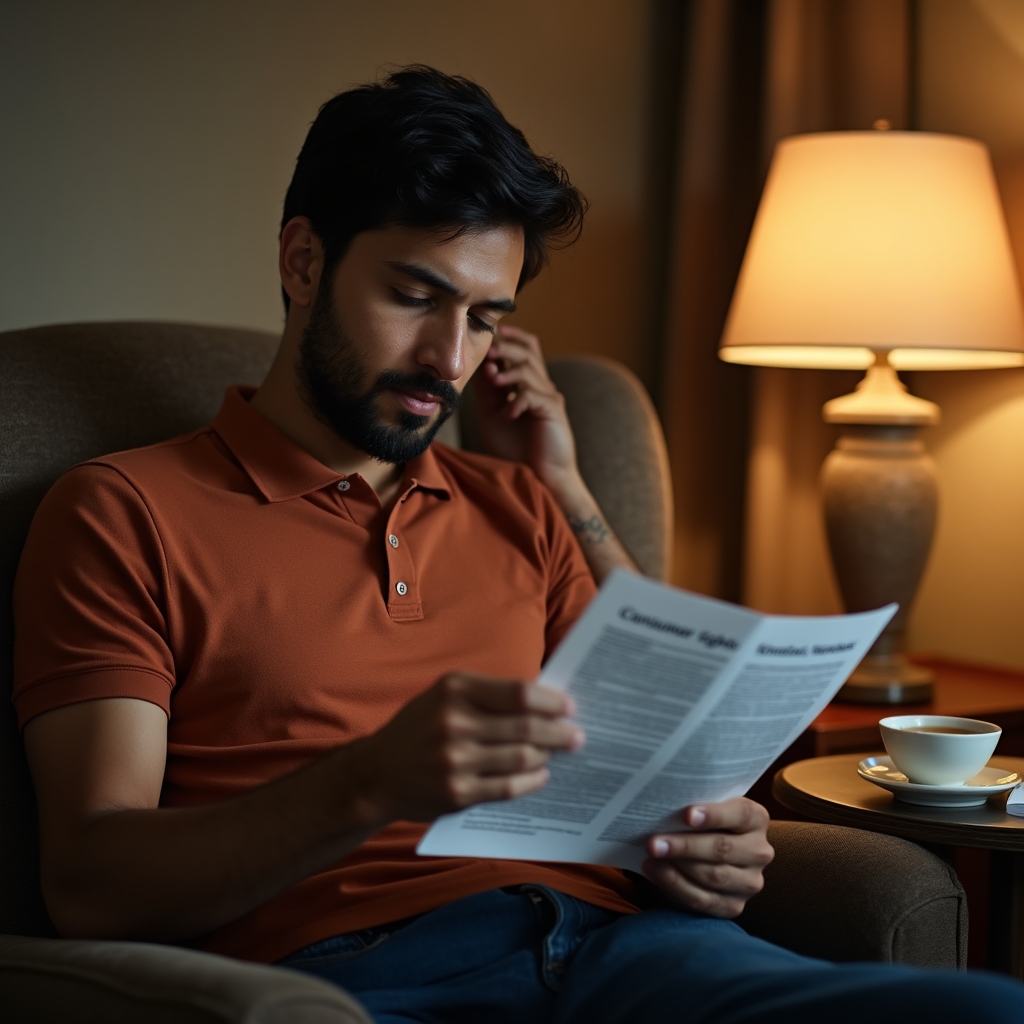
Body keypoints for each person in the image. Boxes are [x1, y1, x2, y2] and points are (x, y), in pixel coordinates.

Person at [12, 67, 1023, 1023]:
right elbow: (95, 884)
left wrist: (713, 846)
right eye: (415, 296)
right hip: (360, 978)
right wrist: (368, 782)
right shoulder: (124, 510)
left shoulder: (523, 506)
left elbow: (664, 754)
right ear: (303, 260)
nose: (448, 360)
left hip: (630, 952)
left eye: (485, 317)